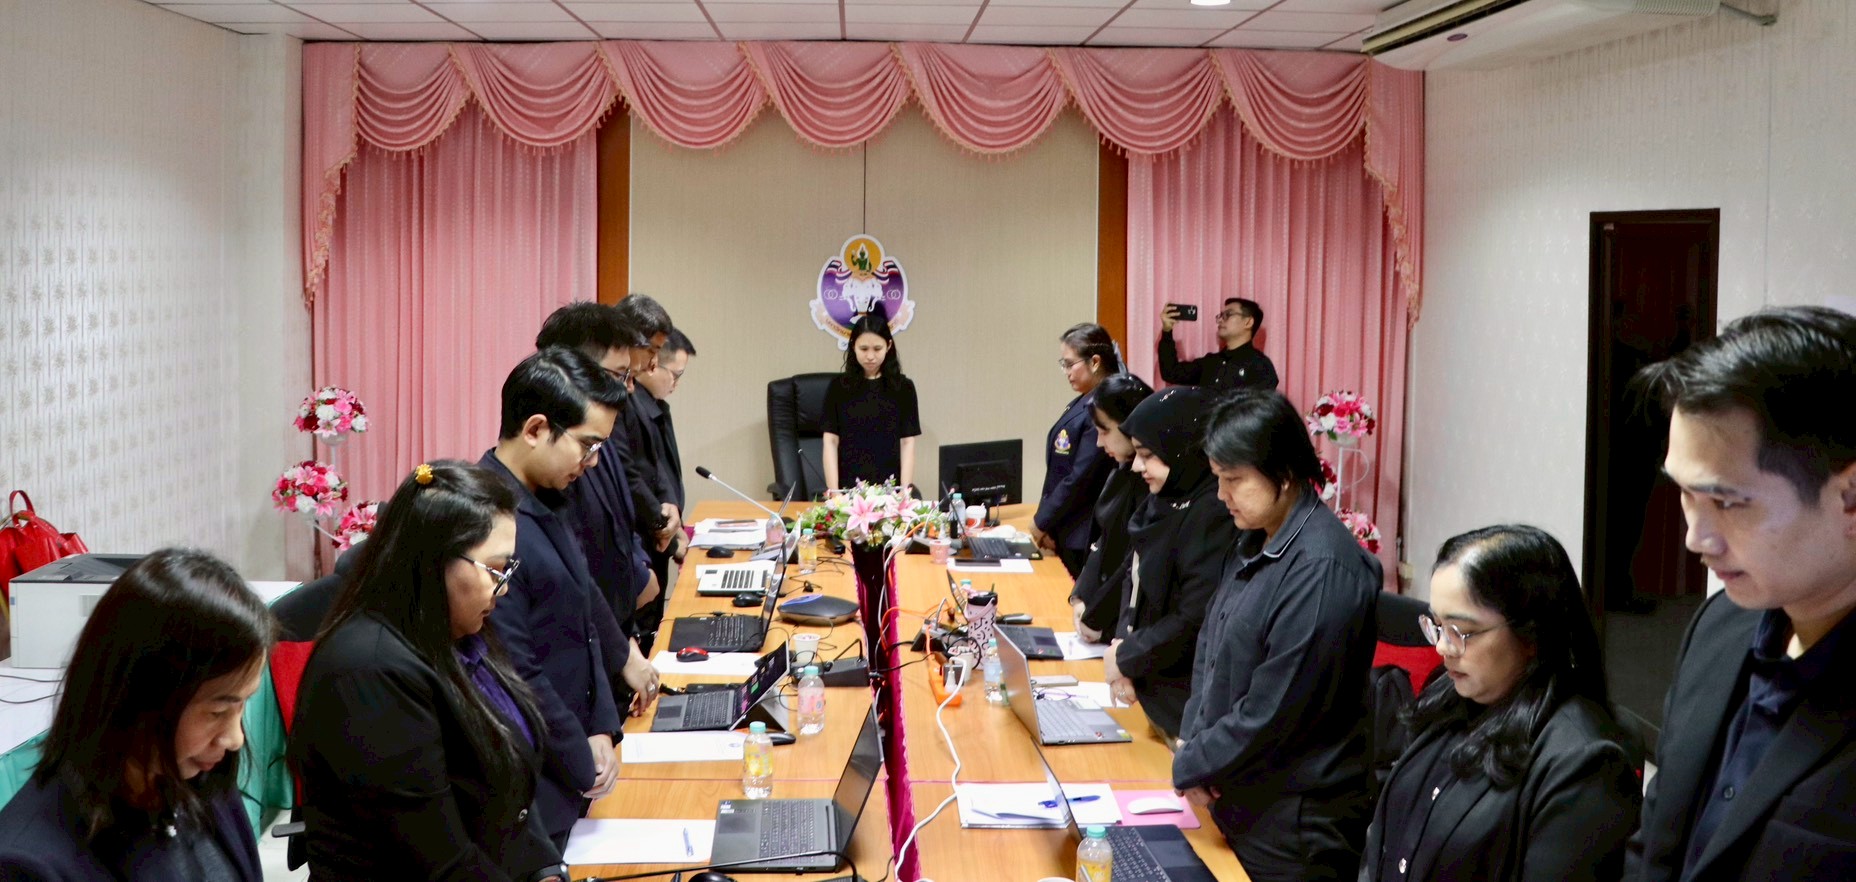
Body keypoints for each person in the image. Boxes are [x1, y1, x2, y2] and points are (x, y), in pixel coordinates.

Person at [1626, 306, 1856, 881]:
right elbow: (1654, 843)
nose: (1695, 538)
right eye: (1685, 495)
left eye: (1727, 503)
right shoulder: (1719, 627)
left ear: (1850, 497)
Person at [292, 462, 568, 882]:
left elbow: (511, 769)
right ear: (432, 561)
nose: (505, 587)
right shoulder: (370, 670)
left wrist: (545, 867)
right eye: (496, 569)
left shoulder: (458, 629)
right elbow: (436, 860)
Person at [1173, 389, 1379, 882]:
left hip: (1294, 825)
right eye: (1218, 478)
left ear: (1284, 473)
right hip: (1238, 791)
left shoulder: (1322, 569)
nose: (1221, 495)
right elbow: (1211, 647)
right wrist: (1193, 744)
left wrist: (1194, 763)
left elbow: (1272, 710)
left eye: (1233, 480)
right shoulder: (1257, 537)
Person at [1360, 525, 1639, 882]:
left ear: (1532, 634)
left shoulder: (1583, 766)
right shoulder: (1448, 694)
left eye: (1461, 631)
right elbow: (1382, 838)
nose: (1442, 647)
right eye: (1438, 626)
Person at [0, 549, 274, 880]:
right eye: (217, 712)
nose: (235, 738)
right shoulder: (30, 866)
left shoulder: (203, 781)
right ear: (137, 697)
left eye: (242, 704)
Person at [479, 347, 628, 848]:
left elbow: (584, 622)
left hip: (572, 756)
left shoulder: (550, 495)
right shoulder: (489, 520)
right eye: (587, 445)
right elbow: (514, 666)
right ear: (536, 429)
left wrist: (602, 726)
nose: (593, 461)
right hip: (532, 775)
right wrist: (578, 753)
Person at [537, 303, 663, 690]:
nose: (629, 387)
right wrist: (619, 647)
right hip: (583, 656)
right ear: (573, 368)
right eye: (619, 375)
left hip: (618, 635)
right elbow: (576, 570)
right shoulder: (554, 457)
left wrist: (641, 572)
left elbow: (622, 520)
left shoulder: (599, 439)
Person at [1101, 387, 1235, 743]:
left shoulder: (1213, 513)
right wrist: (1123, 649)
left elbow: (1195, 617)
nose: (1136, 465)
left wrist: (1127, 656)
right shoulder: (1163, 499)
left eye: (1148, 455)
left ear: (1183, 449)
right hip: (1146, 687)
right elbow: (1134, 576)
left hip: (1183, 708)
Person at [1069, 372, 1154, 643]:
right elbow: (1102, 542)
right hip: (1099, 616)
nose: (1098, 442)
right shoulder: (1120, 470)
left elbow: (1131, 563)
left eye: (1104, 431)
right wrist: (1079, 597)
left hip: (1122, 625)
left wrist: (1094, 615)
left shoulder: (1150, 484)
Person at [1034, 323, 1120, 577]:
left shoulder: (1103, 406)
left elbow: (1080, 477)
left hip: (1082, 532)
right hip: (1065, 528)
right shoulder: (1085, 399)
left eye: (1070, 364)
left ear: (1095, 362)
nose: (1067, 372)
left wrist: (1042, 522)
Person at [612, 293, 680, 558]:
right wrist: (662, 525)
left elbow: (655, 461)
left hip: (652, 529)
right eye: (651, 351)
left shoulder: (635, 391)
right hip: (633, 534)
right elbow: (625, 471)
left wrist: (670, 504)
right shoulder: (612, 394)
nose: (654, 363)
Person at [821, 312, 921, 491]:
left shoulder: (903, 388)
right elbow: (830, 441)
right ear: (853, 346)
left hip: (890, 489)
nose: (870, 356)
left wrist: (904, 491)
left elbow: (907, 442)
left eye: (877, 348)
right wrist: (834, 492)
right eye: (864, 349)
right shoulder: (838, 387)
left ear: (888, 346)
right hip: (848, 489)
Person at [629, 327, 696, 589]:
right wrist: (666, 528)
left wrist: (675, 523)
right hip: (645, 537)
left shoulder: (655, 406)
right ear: (652, 364)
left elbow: (663, 472)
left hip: (661, 531)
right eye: (675, 375)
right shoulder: (632, 409)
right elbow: (637, 478)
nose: (676, 384)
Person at [1158, 297, 1278, 392]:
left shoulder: (1261, 365)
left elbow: (1260, 411)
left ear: (1248, 322)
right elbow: (1171, 372)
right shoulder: (1211, 362)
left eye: (1228, 315)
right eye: (1220, 315)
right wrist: (1167, 330)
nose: (1220, 320)